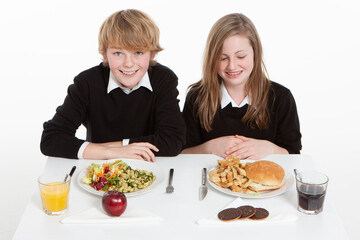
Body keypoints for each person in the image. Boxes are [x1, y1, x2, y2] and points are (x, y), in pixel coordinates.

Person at [41, 9, 186, 161]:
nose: (129, 64)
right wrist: (113, 153)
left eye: (138, 52)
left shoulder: (163, 79)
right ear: (105, 54)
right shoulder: (87, 82)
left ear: (152, 54)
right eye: (118, 53)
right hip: (100, 172)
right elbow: (51, 139)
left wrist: (119, 147)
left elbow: (173, 140)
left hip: (151, 169)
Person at [182, 13, 302, 160]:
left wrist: (270, 148)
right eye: (223, 58)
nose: (232, 66)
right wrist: (209, 148)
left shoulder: (281, 98)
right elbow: (183, 153)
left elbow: (294, 154)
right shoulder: (197, 97)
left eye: (241, 57)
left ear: (255, 54)